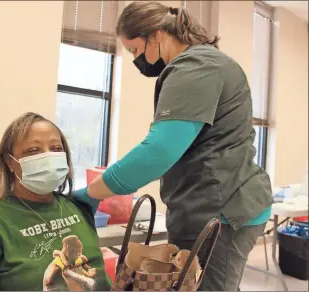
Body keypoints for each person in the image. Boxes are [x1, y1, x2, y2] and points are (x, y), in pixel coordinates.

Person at [73, 2, 274, 291]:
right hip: (216, 205)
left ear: (156, 35)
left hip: (223, 211)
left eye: (134, 50)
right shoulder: (206, 65)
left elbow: (158, 153)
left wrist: (91, 193)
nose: (136, 59)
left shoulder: (197, 67)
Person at [0, 112, 111, 291]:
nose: (48, 156)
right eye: (33, 150)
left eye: (56, 148)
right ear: (10, 162)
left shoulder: (78, 208)